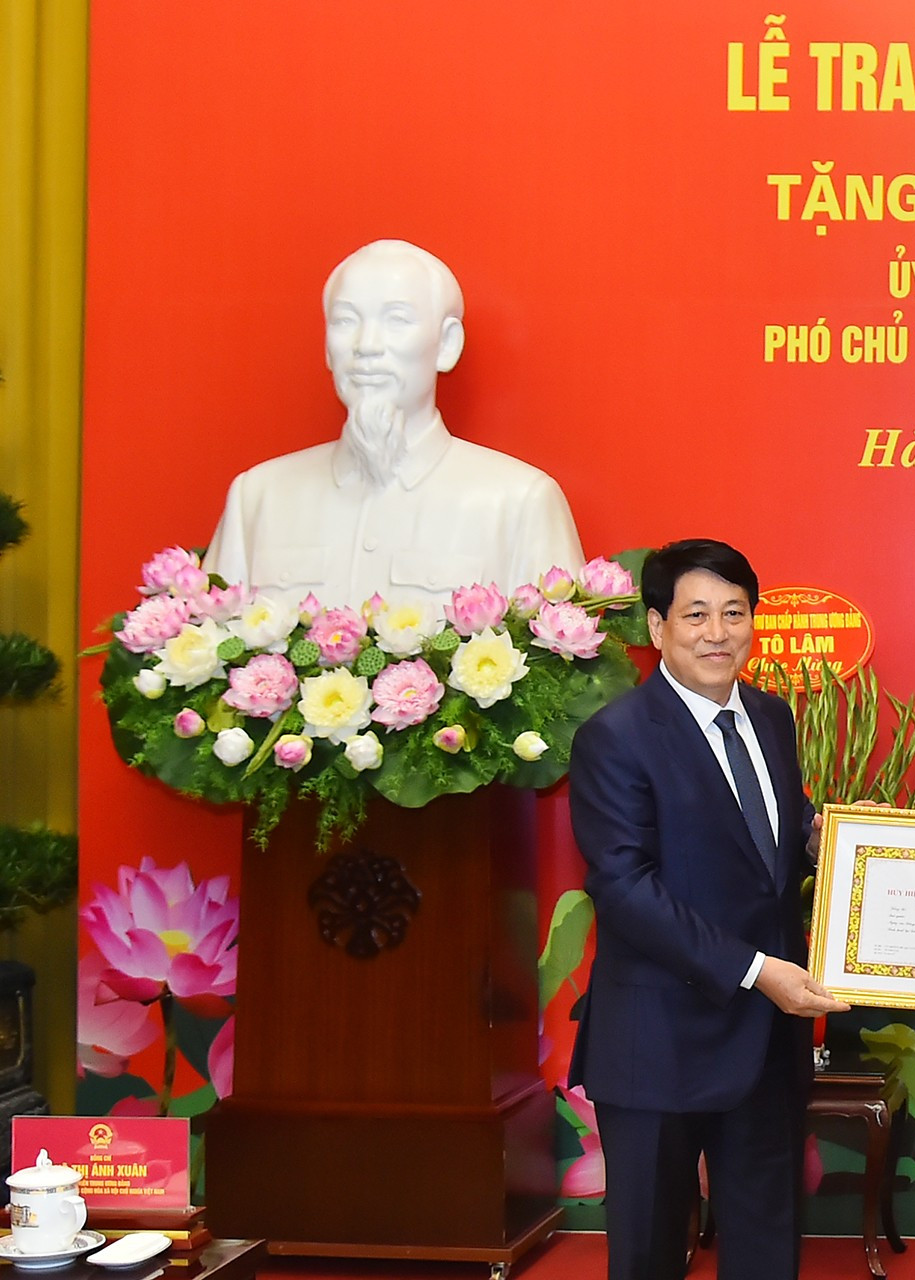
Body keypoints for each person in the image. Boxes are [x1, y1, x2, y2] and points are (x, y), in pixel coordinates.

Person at [567, 539, 849, 1280]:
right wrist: (759, 971)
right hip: (658, 1043)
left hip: (764, 1047)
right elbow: (626, 888)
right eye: (696, 615)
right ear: (657, 627)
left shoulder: (773, 718)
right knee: (650, 1253)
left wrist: (832, 845)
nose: (718, 633)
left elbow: (770, 841)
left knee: (764, 1245)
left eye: (734, 613)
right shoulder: (614, 737)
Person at [204, 239, 583, 607]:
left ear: (447, 344)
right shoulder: (258, 497)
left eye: (397, 320)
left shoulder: (519, 502)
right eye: (345, 320)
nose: (366, 345)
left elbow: (560, 662)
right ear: (326, 346)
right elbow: (210, 648)